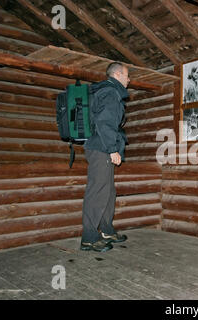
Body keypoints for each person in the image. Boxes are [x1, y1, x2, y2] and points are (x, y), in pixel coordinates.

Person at [80, 62, 130, 252]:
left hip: (102, 147)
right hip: (101, 148)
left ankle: (107, 230)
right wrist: (112, 148)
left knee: (108, 191)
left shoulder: (108, 92)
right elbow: (104, 123)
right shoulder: (110, 92)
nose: (129, 80)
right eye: (127, 75)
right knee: (98, 191)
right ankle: (89, 238)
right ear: (117, 75)